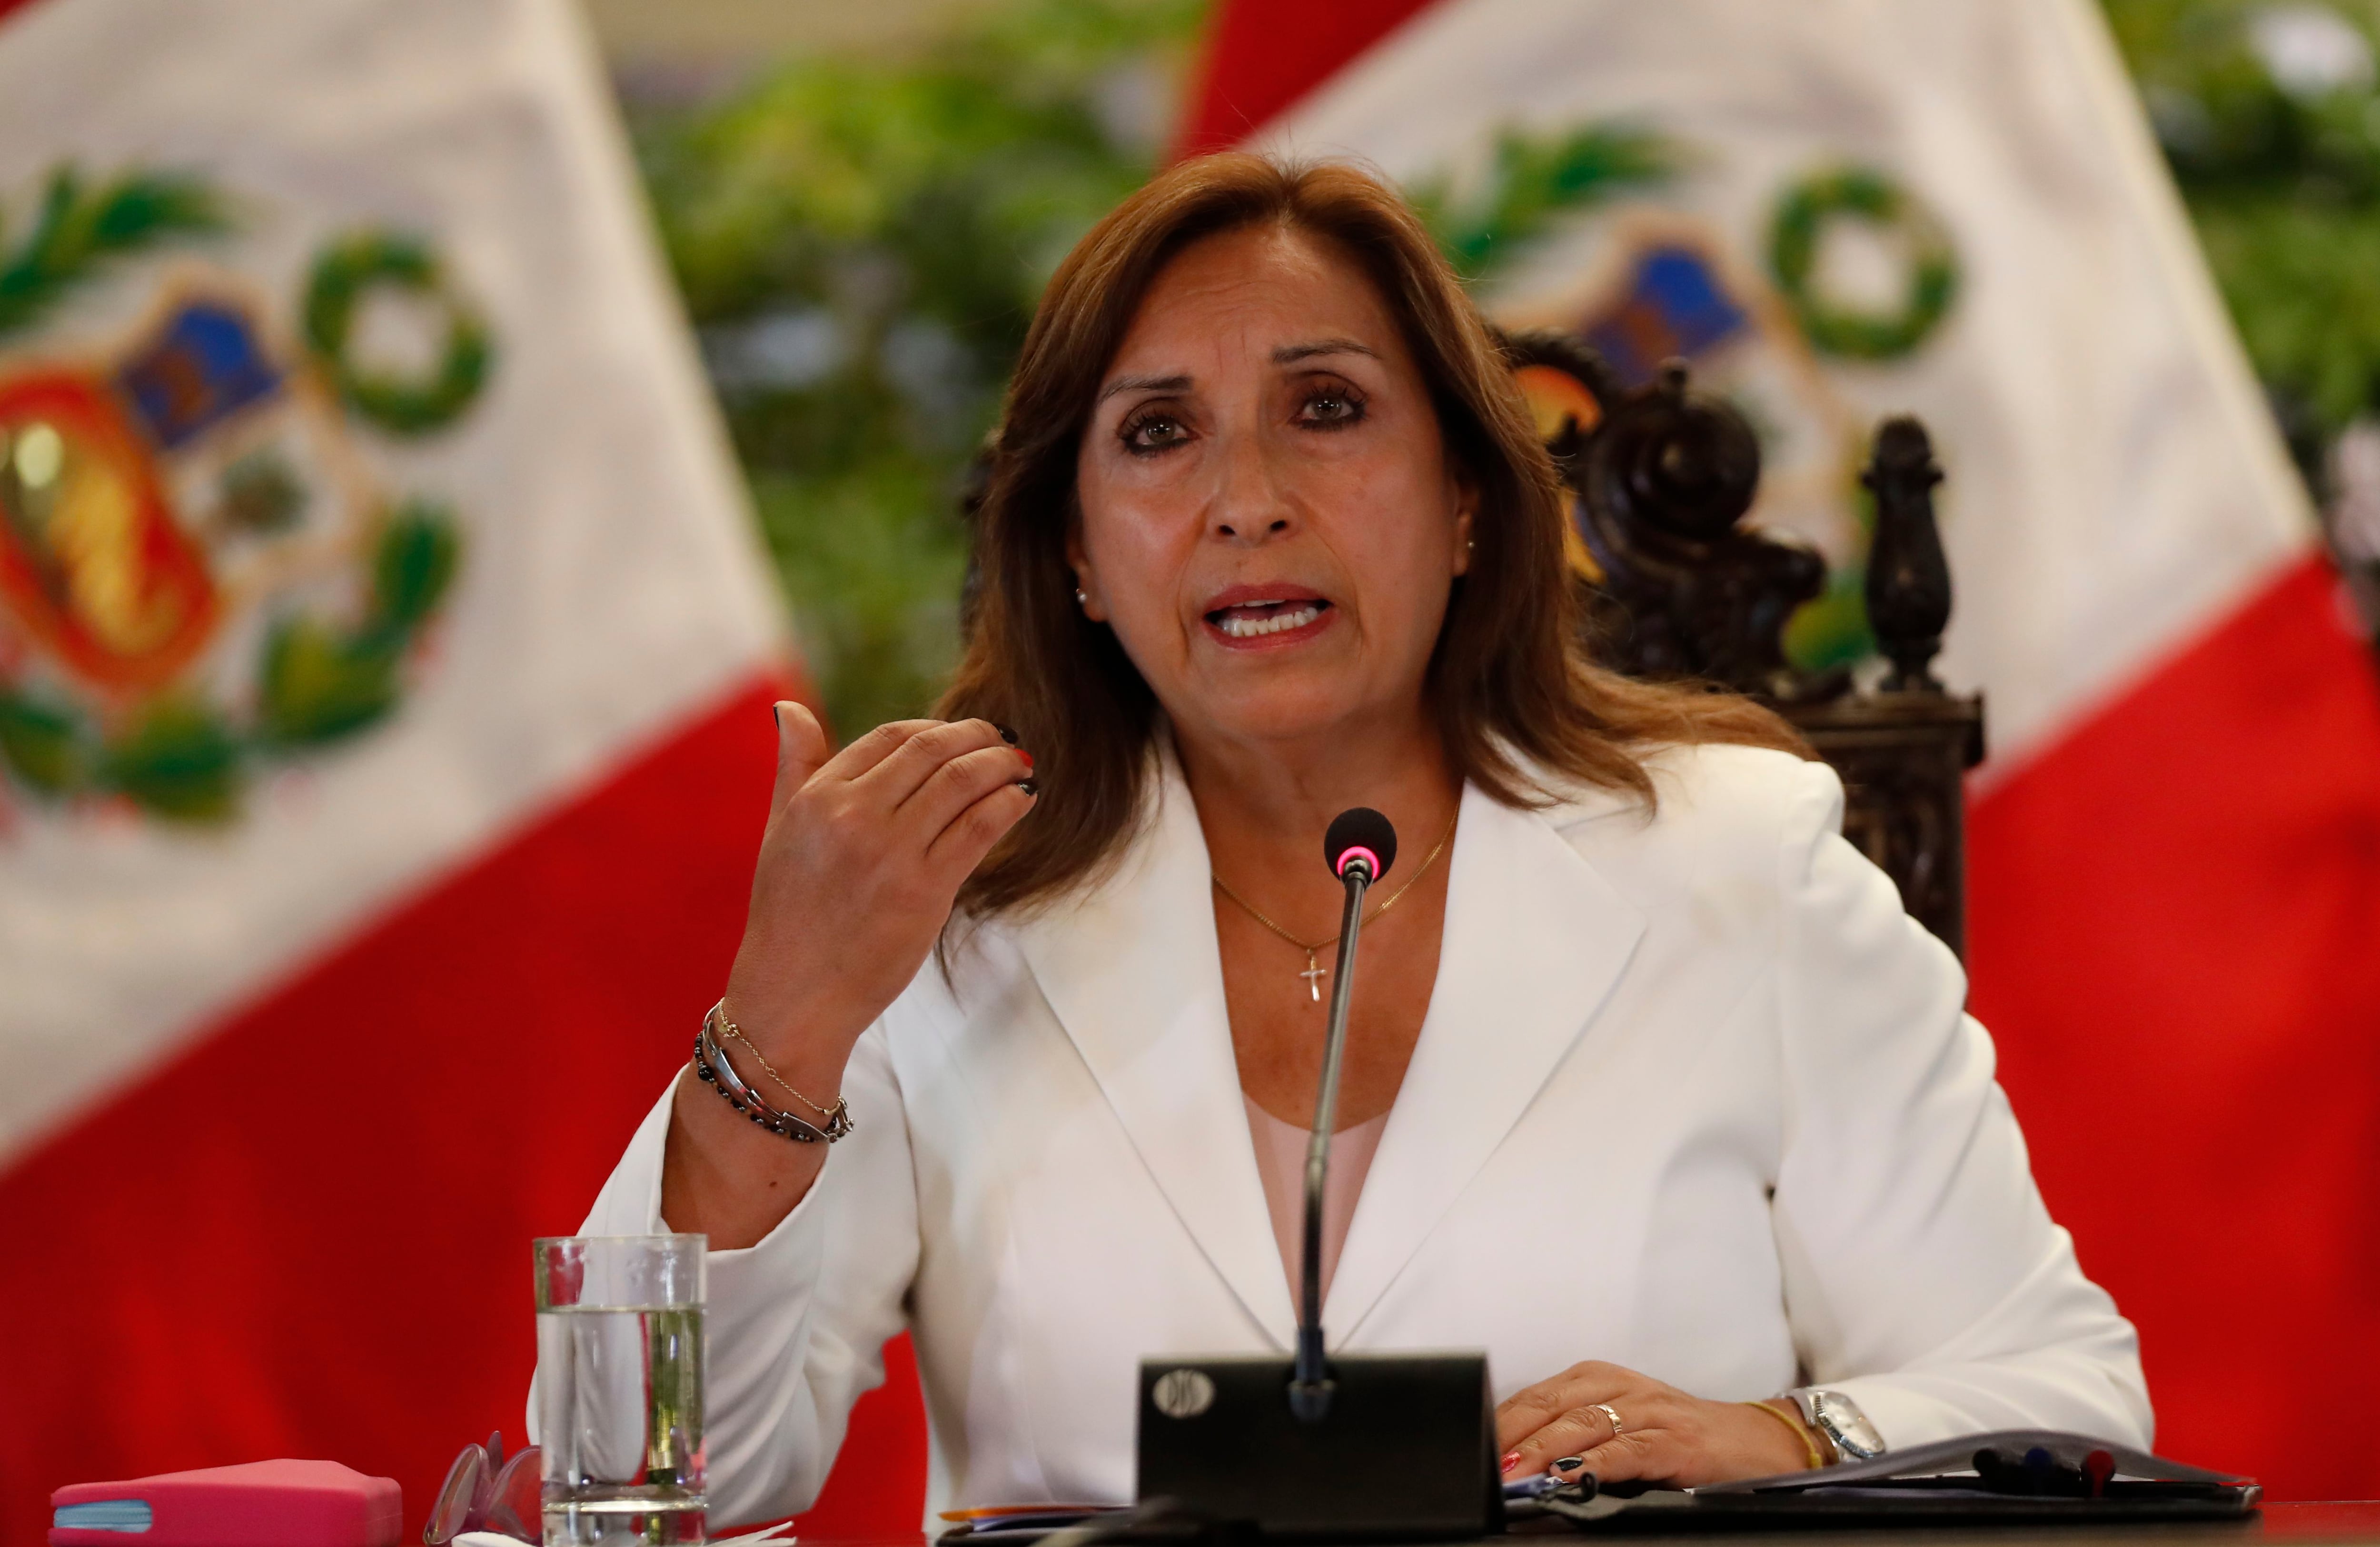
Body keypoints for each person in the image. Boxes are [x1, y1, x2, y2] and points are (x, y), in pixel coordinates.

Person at [550, 153, 2148, 1524]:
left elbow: (2066, 1401)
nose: (1247, 497)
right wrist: (788, 1023)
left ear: (1465, 499)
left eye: (1326, 409)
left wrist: (1787, 1438)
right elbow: (632, 1478)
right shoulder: (953, 916)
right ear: (1083, 559)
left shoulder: (1742, 861)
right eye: (1159, 435)